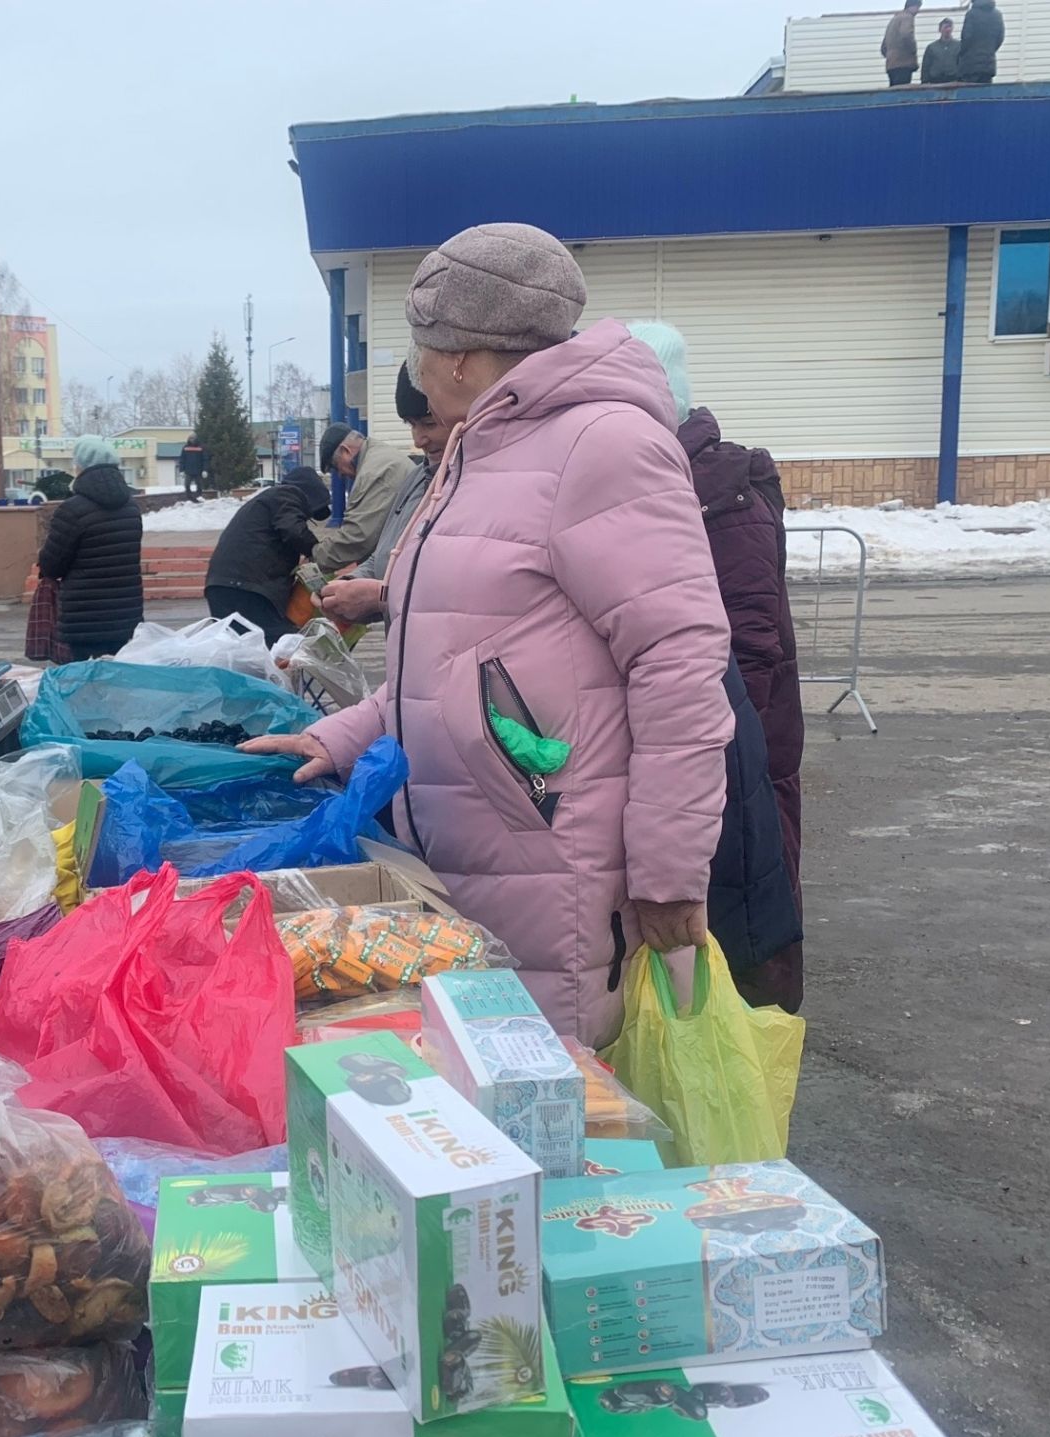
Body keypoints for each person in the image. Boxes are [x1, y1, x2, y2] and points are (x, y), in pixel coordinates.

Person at [245, 224, 735, 1047]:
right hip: (466, 850)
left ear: (465, 356)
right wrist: (340, 736)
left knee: (556, 1110)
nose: (417, 368)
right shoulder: (483, 453)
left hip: (553, 863)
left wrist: (668, 868)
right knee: (484, 1103)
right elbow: (456, 655)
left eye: (420, 347)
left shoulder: (600, 445)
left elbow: (679, 661)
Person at [630, 321, 805, 1013]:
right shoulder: (672, 478)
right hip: (715, 764)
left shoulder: (724, 496)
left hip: (739, 767)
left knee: (737, 950)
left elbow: (750, 652)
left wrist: (707, 762)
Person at [319, 363, 450, 628]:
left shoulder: (379, 471)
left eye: (429, 423)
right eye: (411, 425)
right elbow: (386, 552)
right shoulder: (417, 477)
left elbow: (465, 596)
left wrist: (380, 596)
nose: (418, 440)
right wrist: (349, 584)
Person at [35, 435, 144, 660]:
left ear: (81, 467)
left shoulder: (72, 510)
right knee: (117, 681)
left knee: (86, 684)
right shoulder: (131, 508)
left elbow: (52, 565)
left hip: (83, 620)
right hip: (125, 617)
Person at [202, 466, 331, 644]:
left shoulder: (269, 501)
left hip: (228, 586)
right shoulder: (287, 494)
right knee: (277, 644)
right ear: (311, 494)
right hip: (245, 588)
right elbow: (293, 531)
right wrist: (318, 552)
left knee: (242, 650)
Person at [312, 422, 413, 574]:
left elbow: (358, 537)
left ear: (345, 451)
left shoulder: (374, 472)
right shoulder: (379, 455)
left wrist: (314, 557)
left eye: (335, 466)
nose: (340, 474)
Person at [959, 0, 1005, 83]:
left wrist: (961, 54)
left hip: (970, 65)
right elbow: (1000, 38)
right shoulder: (997, 15)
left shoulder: (972, 14)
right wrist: (990, 50)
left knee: (969, 93)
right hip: (988, 64)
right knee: (985, 92)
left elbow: (966, 37)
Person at [882, 0, 922, 86]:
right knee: (903, 90)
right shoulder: (907, 17)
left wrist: (890, 55)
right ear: (913, 6)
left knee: (894, 91)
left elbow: (883, 47)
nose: (918, 11)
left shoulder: (894, 20)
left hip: (891, 64)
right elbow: (906, 34)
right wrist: (913, 50)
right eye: (918, 8)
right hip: (903, 63)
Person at [921, 17, 961, 82]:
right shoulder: (931, 47)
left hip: (953, 80)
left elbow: (962, 63)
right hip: (935, 81)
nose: (948, 29)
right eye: (945, 27)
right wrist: (924, 82)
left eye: (950, 27)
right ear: (940, 30)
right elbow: (925, 66)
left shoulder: (959, 46)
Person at [178, 433, 207, 499]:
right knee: (187, 485)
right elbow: (182, 459)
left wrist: (205, 470)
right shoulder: (185, 448)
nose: (191, 440)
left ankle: (199, 497)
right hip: (188, 471)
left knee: (199, 485)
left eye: (193, 438)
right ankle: (189, 497)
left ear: (196, 439)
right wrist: (181, 470)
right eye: (190, 438)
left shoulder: (201, 447)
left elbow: (205, 459)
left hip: (198, 471)